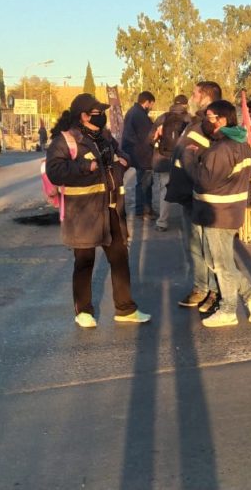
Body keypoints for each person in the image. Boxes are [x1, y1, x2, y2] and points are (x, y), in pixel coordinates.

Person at [45, 94, 152, 328]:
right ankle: (83, 311)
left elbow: (121, 154)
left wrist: (123, 161)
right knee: (84, 261)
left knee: (120, 258)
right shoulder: (66, 140)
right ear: (84, 116)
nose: (102, 116)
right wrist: (86, 166)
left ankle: (125, 309)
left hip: (112, 207)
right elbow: (55, 171)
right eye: (97, 112)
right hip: (83, 212)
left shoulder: (105, 137)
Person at [180, 99, 251, 327]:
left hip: (218, 214)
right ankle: (249, 294)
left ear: (222, 120)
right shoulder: (241, 145)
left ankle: (230, 309)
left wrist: (189, 158)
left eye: (210, 118)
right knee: (217, 260)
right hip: (228, 212)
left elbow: (203, 180)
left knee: (222, 264)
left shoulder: (222, 149)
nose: (206, 122)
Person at [167, 81, 222, 310]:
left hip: (200, 193)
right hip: (186, 192)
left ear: (206, 97)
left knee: (206, 248)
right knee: (194, 246)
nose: (191, 98)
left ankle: (217, 291)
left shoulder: (211, 124)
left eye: (195, 94)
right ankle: (201, 287)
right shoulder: (194, 122)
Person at [149, 94, 191, 232]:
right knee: (186, 190)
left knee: (164, 190)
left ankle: (162, 222)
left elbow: (151, 139)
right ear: (185, 105)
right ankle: (187, 223)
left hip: (164, 159)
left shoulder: (162, 118)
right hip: (183, 160)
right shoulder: (189, 118)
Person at [122, 91, 156, 219]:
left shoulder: (132, 112)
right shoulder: (140, 115)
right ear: (147, 102)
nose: (151, 107)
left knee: (142, 181)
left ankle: (143, 209)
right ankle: (143, 210)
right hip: (142, 154)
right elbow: (148, 137)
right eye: (151, 104)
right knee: (144, 182)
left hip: (136, 152)